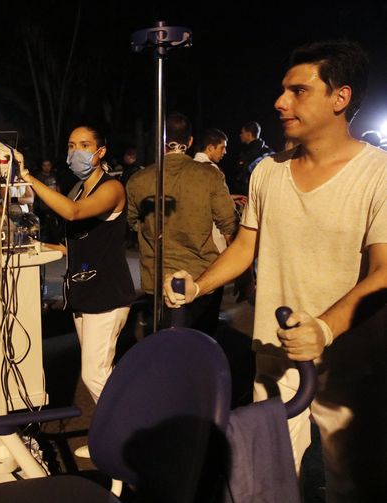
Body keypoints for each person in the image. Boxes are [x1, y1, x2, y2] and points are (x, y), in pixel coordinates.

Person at [164, 40, 387, 502]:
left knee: (353, 485)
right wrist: (199, 284)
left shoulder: (378, 174)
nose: (280, 101)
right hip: (274, 355)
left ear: (339, 98)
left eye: (298, 91)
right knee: (266, 481)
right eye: (282, 90)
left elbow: (384, 272)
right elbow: (247, 246)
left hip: (351, 363)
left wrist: (325, 329)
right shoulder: (268, 171)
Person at [18, 125, 138, 405]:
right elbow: (76, 244)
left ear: (101, 151)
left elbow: (74, 214)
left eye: (84, 145)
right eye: (71, 146)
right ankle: (109, 439)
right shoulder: (77, 190)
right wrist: (39, 247)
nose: (76, 152)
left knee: (94, 375)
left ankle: (129, 438)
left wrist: (26, 177)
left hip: (107, 293)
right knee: (103, 373)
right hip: (84, 294)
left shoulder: (111, 188)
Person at [128, 113, 237, 336]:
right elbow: (229, 225)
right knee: (201, 344)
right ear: (189, 142)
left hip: (157, 280)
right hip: (203, 279)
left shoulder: (139, 180)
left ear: (159, 142)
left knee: (165, 346)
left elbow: (131, 222)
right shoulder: (209, 176)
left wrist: (151, 230)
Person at [235, 121, 274, 195]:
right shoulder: (246, 150)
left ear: (249, 134)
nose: (240, 135)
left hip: (255, 194)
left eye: (242, 132)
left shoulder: (266, 153)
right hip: (246, 193)